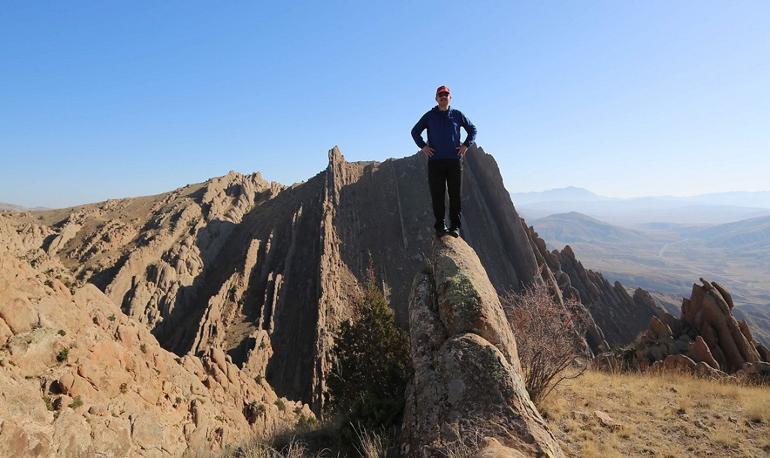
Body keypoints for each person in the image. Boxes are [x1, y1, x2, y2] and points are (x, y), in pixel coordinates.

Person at [411, 85, 477, 238]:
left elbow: (472, 129)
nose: (443, 97)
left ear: (450, 98)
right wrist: (423, 147)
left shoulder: (457, 115)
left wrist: (466, 145)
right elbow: (415, 132)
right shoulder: (429, 116)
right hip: (435, 162)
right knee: (437, 195)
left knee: (455, 195)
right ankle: (440, 226)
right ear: (436, 98)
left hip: (454, 161)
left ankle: (454, 226)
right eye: (440, 95)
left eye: (446, 95)